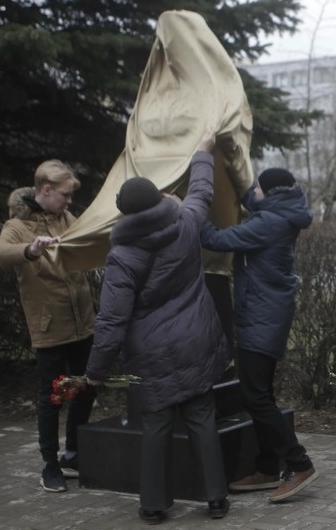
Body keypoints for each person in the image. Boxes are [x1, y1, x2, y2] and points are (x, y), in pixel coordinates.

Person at [85, 132, 232, 525]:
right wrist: (202, 152)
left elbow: (112, 319)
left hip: (151, 352)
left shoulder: (123, 255)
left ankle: (153, 505)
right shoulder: (185, 222)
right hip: (197, 338)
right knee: (203, 417)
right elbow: (201, 192)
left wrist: (96, 370)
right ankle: (216, 499)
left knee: (156, 423)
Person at [200, 167, 317, 503]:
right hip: (269, 314)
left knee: (256, 397)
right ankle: (266, 467)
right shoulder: (283, 210)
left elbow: (216, 240)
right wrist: (234, 172)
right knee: (260, 393)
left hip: (261, 318)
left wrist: (191, 210)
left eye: (258, 189)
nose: (255, 194)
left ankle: (299, 463)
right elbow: (253, 198)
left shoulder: (267, 223)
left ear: (270, 192)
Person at [0, 159, 97, 493]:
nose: (69, 201)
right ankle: (50, 464)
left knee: (84, 387)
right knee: (52, 397)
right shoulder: (19, 225)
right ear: (46, 190)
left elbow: (90, 238)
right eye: (64, 195)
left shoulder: (67, 218)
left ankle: (74, 452)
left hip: (84, 324)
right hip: (50, 328)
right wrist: (30, 249)